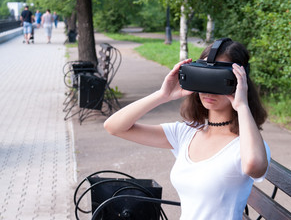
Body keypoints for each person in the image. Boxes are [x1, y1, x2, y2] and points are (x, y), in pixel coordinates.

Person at [104, 39, 271, 219]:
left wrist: (242, 106)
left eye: (218, 79)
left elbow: (255, 166)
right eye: (202, 76)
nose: (208, 89)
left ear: (240, 82)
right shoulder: (186, 133)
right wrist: (162, 95)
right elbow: (114, 127)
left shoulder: (246, 145)